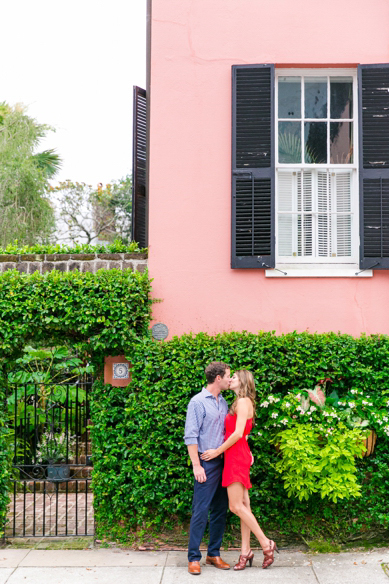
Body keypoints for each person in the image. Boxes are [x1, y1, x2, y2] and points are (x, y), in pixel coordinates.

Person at [201, 370, 279, 570]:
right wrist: (247, 451)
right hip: (237, 455)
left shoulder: (243, 402)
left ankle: (265, 542)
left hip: (235, 457)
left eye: (234, 377)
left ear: (242, 381)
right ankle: (246, 551)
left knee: (236, 506)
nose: (230, 379)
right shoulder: (238, 402)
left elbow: (237, 433)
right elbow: (243, 433)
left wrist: (217, 451)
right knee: (244, 505)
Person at [184, 361, 231, 575]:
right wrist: (196, 465)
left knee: (221, 510)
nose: (230, 380)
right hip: (206, 463)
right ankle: (194, 557)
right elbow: (191, 436)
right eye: (228, 376)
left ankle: (213, 553)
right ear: (218, 378)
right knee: (201, 510)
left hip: (225, 462)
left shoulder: (223, 402)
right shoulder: (197, 402)